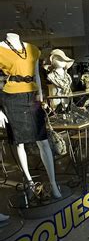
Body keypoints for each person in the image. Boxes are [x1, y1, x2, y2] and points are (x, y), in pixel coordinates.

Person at [0, 33, 62, 200]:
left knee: (43, 140)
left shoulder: (32, 49)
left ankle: (54, 184)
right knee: (19, 142)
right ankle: (30, 182)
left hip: (32, 97)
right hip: (11, 98)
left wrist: (41, 96)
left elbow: (36, 75)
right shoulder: (0, 49)